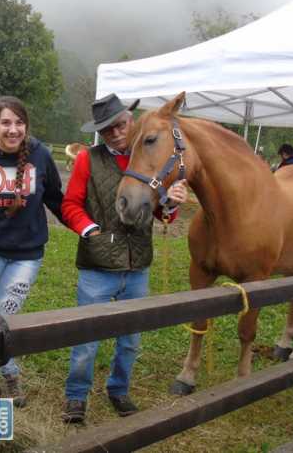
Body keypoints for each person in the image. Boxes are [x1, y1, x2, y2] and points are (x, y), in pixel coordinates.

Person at [61, 93, 188, 424]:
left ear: (131, 121)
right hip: (98, 266)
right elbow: (70, 204)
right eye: (107, 129)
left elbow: (161, 213)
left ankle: (118, 389)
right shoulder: (88, 160)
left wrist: (172, 203)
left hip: (137, 265)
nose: (116, 133)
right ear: (100, 132)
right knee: (86, 338)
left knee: (130, 340)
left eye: (120, 125)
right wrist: (90, 230)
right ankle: (76, 396)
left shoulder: (150, 155)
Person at [0, 96, 64, 407]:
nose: (13, 129)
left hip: (27, 255)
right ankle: (5, 372)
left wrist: (86, 224)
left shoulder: (41, 156)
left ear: (26, 126)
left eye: (19, 123)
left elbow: (57, 199)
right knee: (0, 317)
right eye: (6, 122)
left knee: (3, 314)